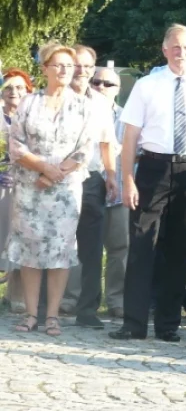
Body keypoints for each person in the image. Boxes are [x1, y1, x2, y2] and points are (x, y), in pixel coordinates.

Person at [109, 24, 186, 342]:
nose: (181, 53)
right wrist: (128, 181)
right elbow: (130, 137)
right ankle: (134, 323)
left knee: (178, 250)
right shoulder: (147, 85)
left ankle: (168, 324)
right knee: (142, 245)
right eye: (175, 47)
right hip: (153, 170)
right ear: (164, 50)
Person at [7, 43, 97, 336]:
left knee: (60, 249)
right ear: (44, 68)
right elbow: (16, 145)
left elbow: (85, 148)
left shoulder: (83, 105)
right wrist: (43, 169)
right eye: (57, 65)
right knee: (31, 248)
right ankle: (31, 313)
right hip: (30, 186)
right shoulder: (28, 103)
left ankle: (53, 316)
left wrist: (56, 173)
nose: (64, 71)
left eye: (69, 66)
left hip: (65, 190)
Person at [61, 44, 119, 328]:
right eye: (77, 64)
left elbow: (107, 140)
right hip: (55, 178)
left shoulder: (100, 101)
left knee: (92, 247)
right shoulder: (54, 97)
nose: (82, 70)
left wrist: (111, 174)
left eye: (87, 66)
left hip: (91, 179)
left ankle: (87, 309)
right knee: (54, 241)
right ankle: (48, 306)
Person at [90, 67, 128, 319]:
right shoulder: (79, 113)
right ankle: (76, 299)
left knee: (120, 248)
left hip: (120, 191)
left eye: (108, 84)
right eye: (96, 82)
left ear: (118, 90)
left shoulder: (128, 118)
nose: (101, 87)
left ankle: (117, 300)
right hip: (87, 187)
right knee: (83, 247)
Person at [0, 69, 33, 312]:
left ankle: (15, 296)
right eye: (9, 87)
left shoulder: (34, 117)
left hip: (26, 185)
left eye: (20, 88)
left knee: (20, 237)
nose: (14, 92)